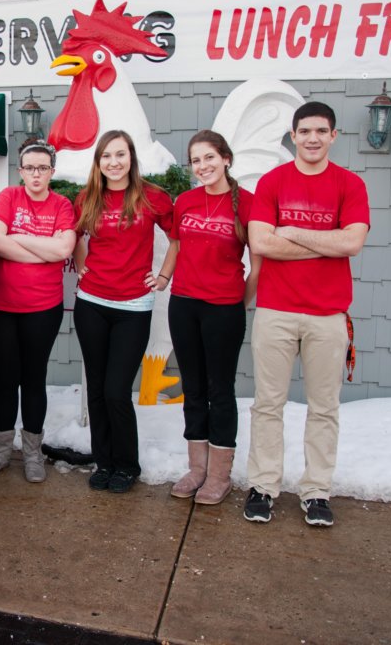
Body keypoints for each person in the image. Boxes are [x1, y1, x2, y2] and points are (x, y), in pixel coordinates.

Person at [244, 102, 369, 527]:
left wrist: (293, 232)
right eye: (304, 131)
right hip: (276, 310)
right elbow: (261, 243)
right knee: (268, 405)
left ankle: (316, 491)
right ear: (292, 136)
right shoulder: (273, 182)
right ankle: (263, 485)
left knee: (324, 407)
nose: (312, 138)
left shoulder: (349, 185)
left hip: (328, 315)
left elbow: (352, 243)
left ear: (334, 136)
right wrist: (326, 240)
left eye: (321, 131)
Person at [72, 130, 173, 494]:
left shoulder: (153, 197)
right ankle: (105, 462)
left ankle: (127, 464)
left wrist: (163, 276)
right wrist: (81, 265)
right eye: (106, 156)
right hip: (92, 305)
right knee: (97, 390)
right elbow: (76, 236)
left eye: (120, 155)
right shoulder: (88, 197)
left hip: (133, 306)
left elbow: (175, 237)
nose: (113, 162)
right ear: (98, 162)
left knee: (117, 390)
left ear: (131, 157)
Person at [165, 130, 260, 505]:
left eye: (209, 158)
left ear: (226, 159)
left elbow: (257, 267)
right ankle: (197, 469)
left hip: (224, 308)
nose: (202, 166)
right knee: (193, 387)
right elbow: (174, 244)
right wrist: (163, 277)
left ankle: (220, 475)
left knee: (220, 390)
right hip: (183, 304)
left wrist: (239, 303)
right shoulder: (185, 201)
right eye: (195, 160)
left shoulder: (248, 204)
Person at [0, 139, 76, 483]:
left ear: (52, 172)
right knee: (6, 381)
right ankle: (2, 449)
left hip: (42, 308)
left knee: (33, 380)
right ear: (20, 171)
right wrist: (44, 252)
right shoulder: (8, 197)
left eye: (43, 168)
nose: (36, 174)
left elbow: (66, 247)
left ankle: (33, 452)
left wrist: (17, 238)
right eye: (29, 168)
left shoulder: (62, 204)